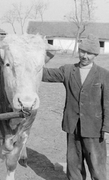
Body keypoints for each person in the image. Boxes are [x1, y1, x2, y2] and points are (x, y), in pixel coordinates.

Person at [42, 34, 108, 180]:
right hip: (72, 126)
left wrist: (106, 128)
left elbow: (108, 103)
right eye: (82, 51)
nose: (85, 56)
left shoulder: (104, 74)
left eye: (89, 53)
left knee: (97, 168)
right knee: (74, 166)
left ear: (95, 54)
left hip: (94, 129)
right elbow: (44, 74)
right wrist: (35, 57)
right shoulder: (67, 70)